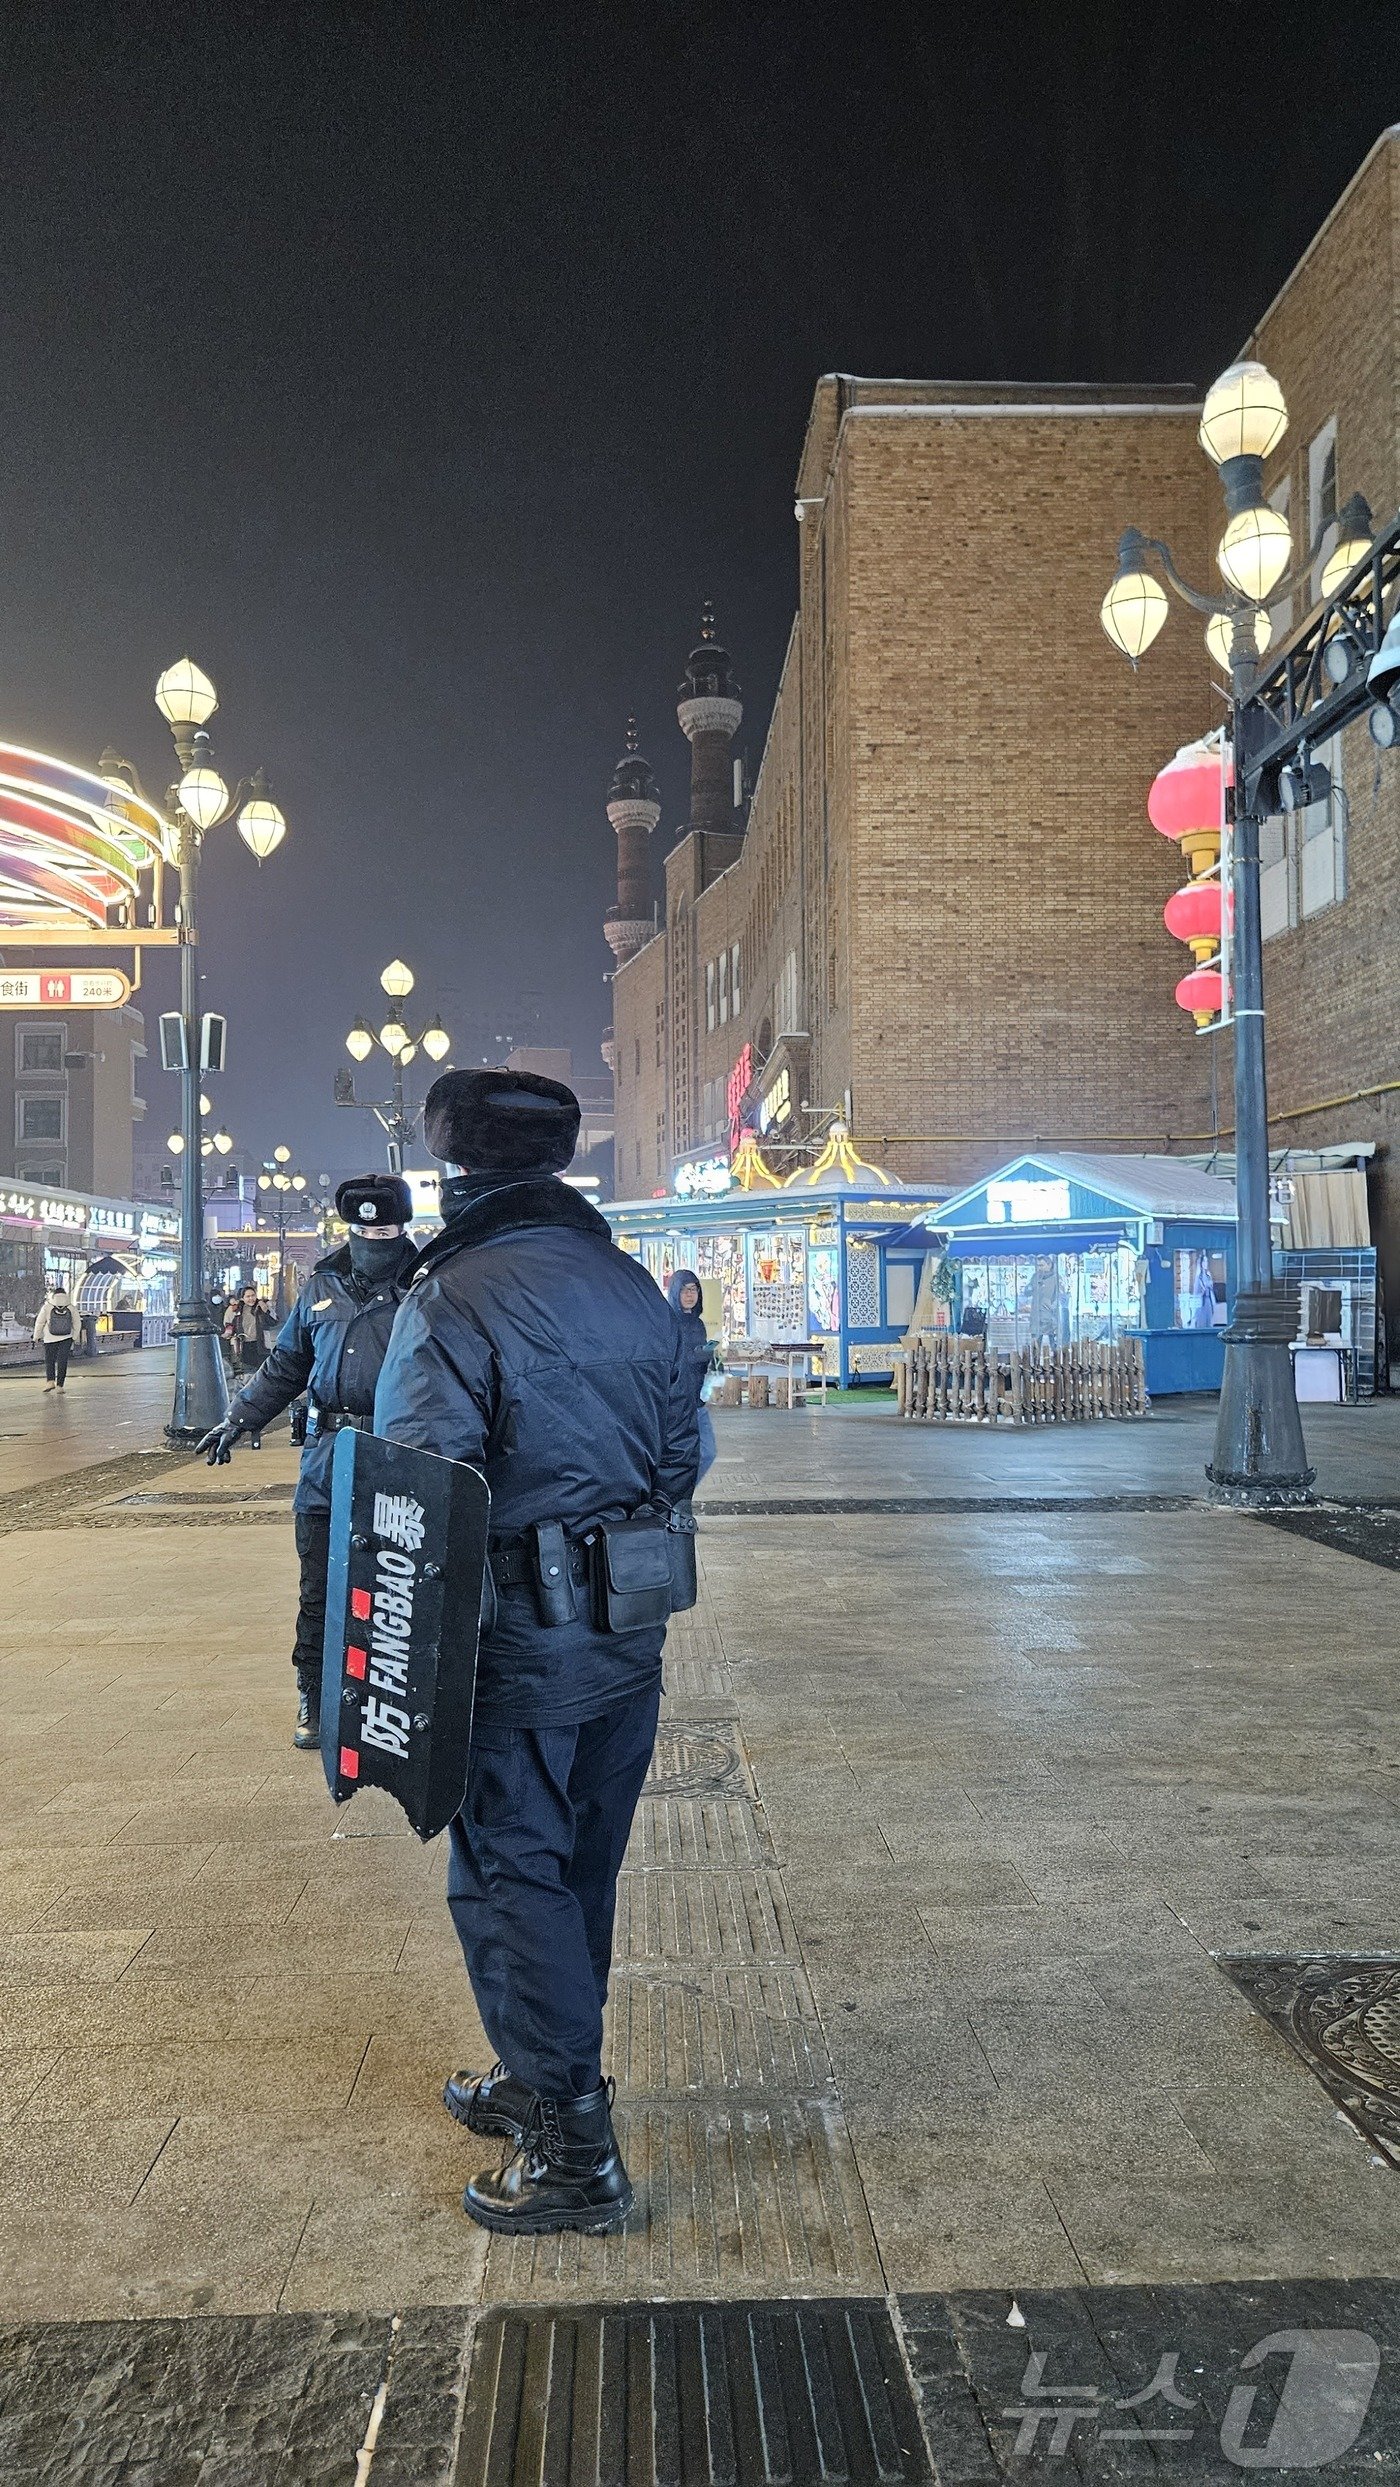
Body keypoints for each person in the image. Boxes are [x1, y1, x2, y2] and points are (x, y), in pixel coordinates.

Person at [374, 1068, 699, 2238]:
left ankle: (574, 2148)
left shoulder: (454, 1295)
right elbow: (682, 1462)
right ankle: (538, 2074)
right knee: (577, 1871)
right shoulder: (633, 1287)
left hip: (510, 1642)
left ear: (455, 1170)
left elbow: (425, 1482)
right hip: (627, 1631)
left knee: (509, 1871)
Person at [197, 1177, 416, 1748]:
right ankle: (314, 1697)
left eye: (385, 1232)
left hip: (397, 1461)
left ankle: (390, 1704)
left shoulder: (427, 1285)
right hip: (326, 1463)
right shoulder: (323, 1285)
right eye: (364, 1231)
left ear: (402, 1231)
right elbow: (287, 1364)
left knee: (394, 1594)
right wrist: (241, 1416)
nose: (373, 1240)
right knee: (318, 1590)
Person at [667, 1267, 718, 1482]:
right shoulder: (668, 1323)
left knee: (707, 1452)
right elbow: (671, 1360)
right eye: (684, 1290)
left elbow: (699, 1363)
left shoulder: (698, 1324)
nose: (690, 1295)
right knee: (679, 1457)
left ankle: (680, 1493)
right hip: (676, 1405)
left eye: (694, 1289)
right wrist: (696, 1356)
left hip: (696, 1402)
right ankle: (674, 1498)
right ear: (675, 1293)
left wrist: (709, 1357)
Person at [224, 1286, 277, 1378]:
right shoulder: (236, 1309)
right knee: (246, 1371)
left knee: (262, 1371)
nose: (251, 1299)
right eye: (248, 1296)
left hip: (261, 1344)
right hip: (243, 1345)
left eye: (253, 1295)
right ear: (242, 1298)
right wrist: (228, 1333)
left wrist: (266, 1310)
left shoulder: (261, 1306)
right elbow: (229, 1324)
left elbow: (274, 1321)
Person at [33, 1284, 76, 1390]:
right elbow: (77, 1323)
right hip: (66, 1337)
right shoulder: (70, 1307)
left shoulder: (47, 1306)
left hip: (49, 1338)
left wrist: (37, 1336)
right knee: (62, 1361)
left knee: (50, 1360)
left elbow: (40, 1322)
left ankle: (50, 1381)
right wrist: (74, 1337)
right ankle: (60, 1385)